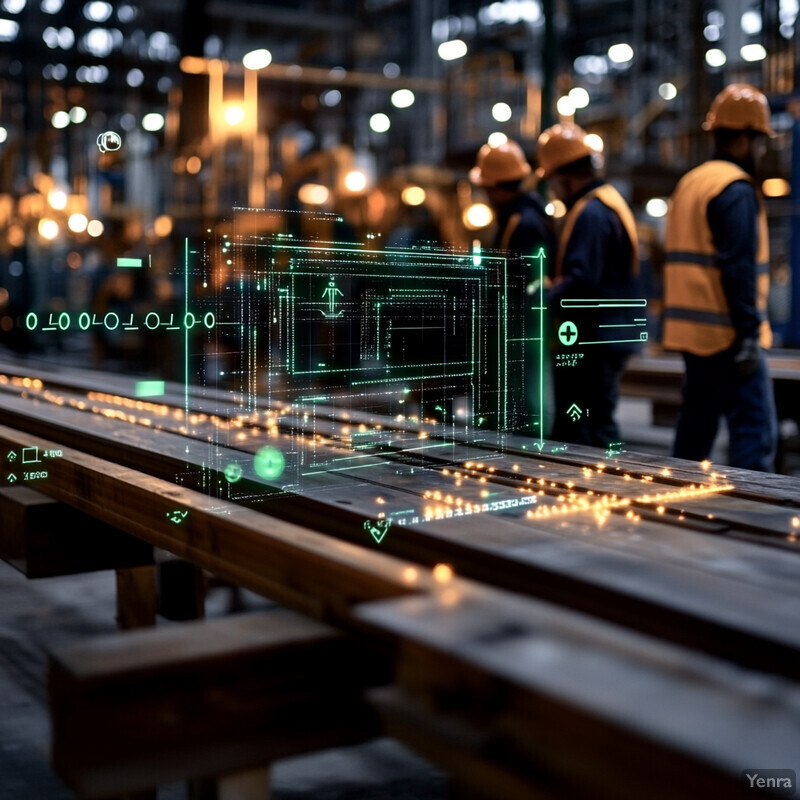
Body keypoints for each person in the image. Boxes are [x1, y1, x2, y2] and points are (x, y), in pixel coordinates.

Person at [663, 83, 777, 472]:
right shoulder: (735, 188)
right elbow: (738, 268)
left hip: (691, 337)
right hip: (729, 338)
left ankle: (674, 506)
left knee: (695, 432)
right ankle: (753, 518)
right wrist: (748, 334)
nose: (762, 151)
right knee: (753, 433)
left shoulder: (690, 183)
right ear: (745, 139)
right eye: (760, 142)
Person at [536, 123, 640, 447]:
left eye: (552, 180)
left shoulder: (591, 214)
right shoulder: (607, 202)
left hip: (594, 338)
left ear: (564, 176)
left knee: (588, 426)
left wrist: (545, 292)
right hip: (608, 334)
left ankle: (605, 491)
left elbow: (583, 280)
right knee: (592, 422)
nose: (552, 189)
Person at [469, 139, 555, 432]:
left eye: (487, 188)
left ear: (498, 187)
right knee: (520, 396)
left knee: (521, 399)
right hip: (520, 324)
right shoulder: (523, 217)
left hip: (520, 325)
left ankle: (527, 456)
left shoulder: (522, 223)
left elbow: (526, 281)